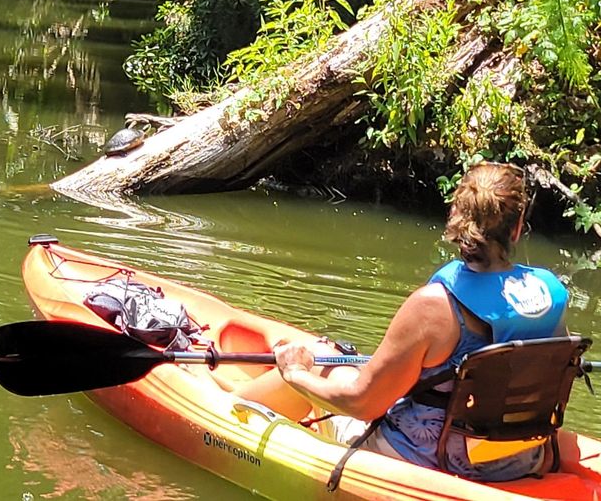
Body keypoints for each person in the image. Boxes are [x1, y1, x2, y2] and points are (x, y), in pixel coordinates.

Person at [235, 162, 570, 481]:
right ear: (517, 226)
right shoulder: (551, 295)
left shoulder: (434, 307)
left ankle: (230, 412)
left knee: (318, 365)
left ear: (455, 218)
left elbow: (362, 403)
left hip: (428, 459)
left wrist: (295, 373)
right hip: (518, 460)